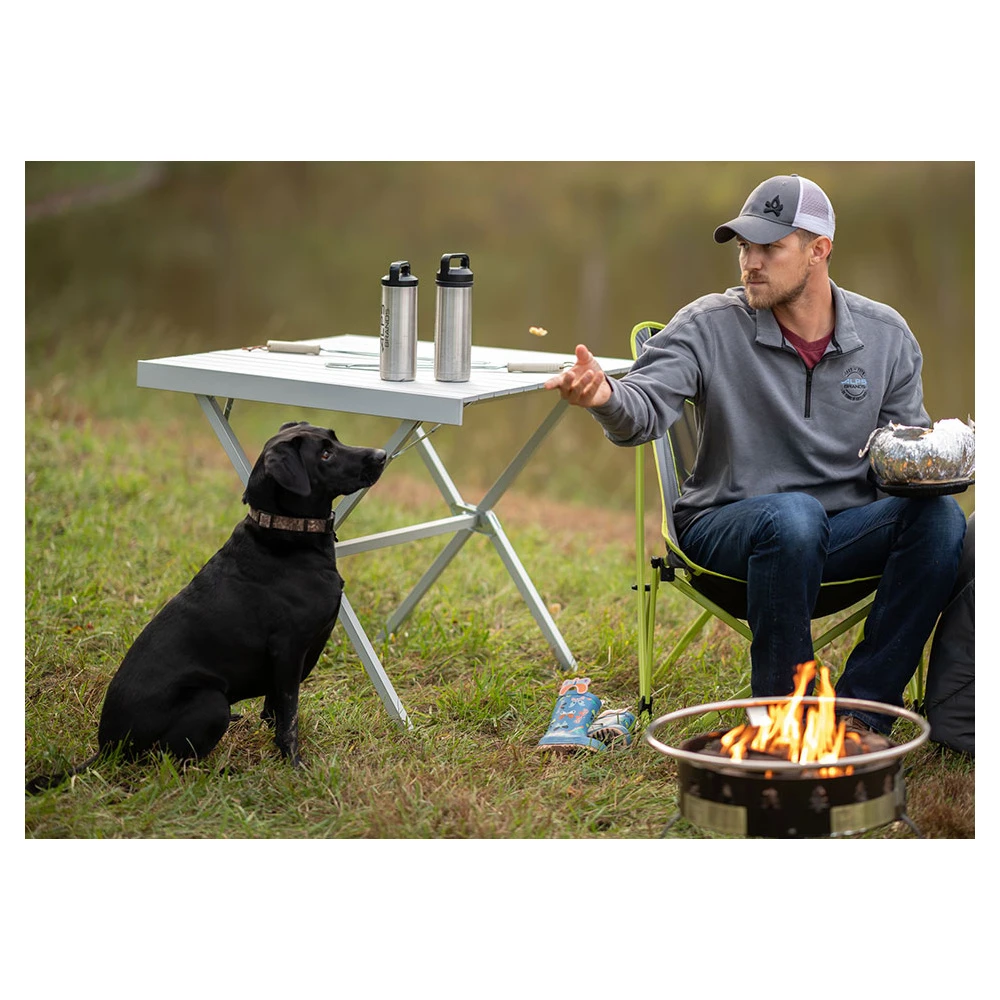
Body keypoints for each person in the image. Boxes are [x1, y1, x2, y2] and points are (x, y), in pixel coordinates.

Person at [545, 173, 968, 734]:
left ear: (819, 251)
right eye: (745, 246)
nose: (751, 262)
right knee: (794, 516)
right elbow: (641, 409)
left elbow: (903, 458)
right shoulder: (708, 325)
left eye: (770, 247)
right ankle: (783, 726)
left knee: (939, 520)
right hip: (728, 537)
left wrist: (943, 459)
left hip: (842, 540)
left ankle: (861, 718)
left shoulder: (887, 336)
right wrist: (603, 397)